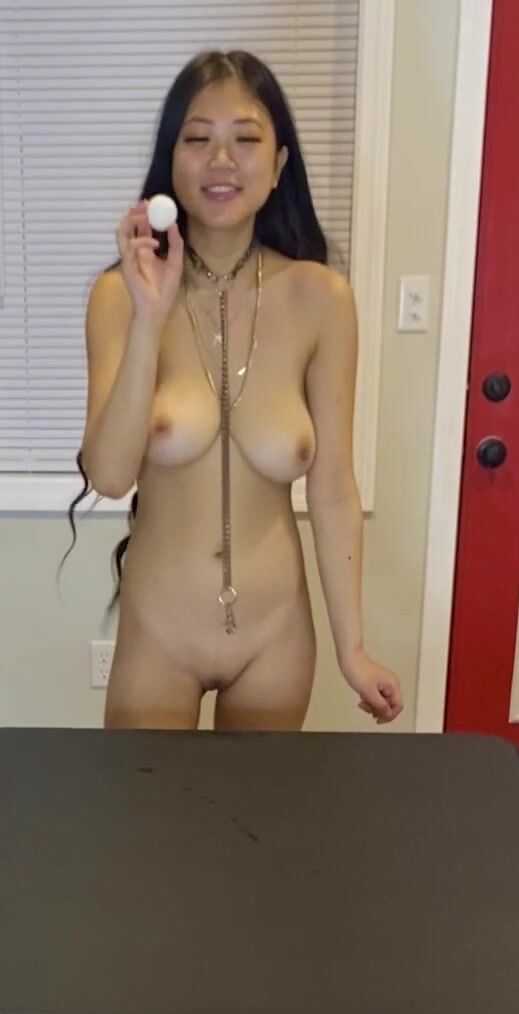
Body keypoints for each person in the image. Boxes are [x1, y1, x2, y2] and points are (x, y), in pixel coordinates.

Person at [70, 49, 403, 733]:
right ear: (171, 164)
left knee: (261, 808)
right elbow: (108, 475)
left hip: (276, 636)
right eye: (198, 139)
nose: (222, 160)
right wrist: (149, 318)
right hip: (158, 632)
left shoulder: (322, 299)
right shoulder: (118, 297)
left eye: (245, 140)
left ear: (278, 165)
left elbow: (334, 489)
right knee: (143, 806)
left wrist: (353, 649)